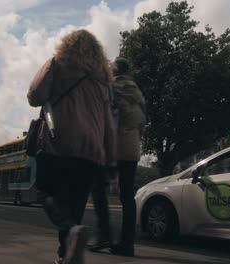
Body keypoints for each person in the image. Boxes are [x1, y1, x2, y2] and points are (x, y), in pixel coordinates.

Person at [27, 29, 117, 264]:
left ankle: (71, 231)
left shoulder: (57, 64)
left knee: (45, 192)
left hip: (59, 141)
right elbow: (109, 122)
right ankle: (65, 256)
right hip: (91, 150)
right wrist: (109, 157)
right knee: (74, 204)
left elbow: (34, 96)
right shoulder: (104, 80)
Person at [108, 57, 146, 257]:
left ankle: (104, 235)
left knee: (97, 185)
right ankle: (127, 243)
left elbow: (108, 116)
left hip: (114, 147)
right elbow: (142, 122)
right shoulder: (137, 92)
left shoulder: (112, 88)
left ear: (115, 70)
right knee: (127, 196)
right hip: (132, 148)